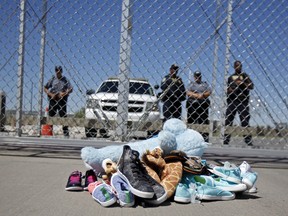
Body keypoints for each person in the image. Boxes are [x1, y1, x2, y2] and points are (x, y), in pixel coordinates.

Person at [224, 60, 254, 146]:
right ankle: (226, 139)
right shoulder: (230, 77)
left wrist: (242, 83)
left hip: (243, 101)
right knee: (228, 120)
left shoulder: (245, 76)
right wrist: (232, 89)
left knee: (245, 121)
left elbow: (251, 86)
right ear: (234, 67)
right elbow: (226, 90)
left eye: (240, 66)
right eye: (236, 66)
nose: (238, 67)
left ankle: (248, 140)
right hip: (232, 101)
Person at [44, 66, 73, 137]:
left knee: (63, 116)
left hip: (62, 100)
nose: (58, 71)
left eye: (60, 70)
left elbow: (71, 88)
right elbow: (45, 87)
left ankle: (66, 134)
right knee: (51, 115)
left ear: (62, 71)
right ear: (55, 71)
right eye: (56, 70)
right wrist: (51, 94)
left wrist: (64, 93)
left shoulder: (65, 80)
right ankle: (49, 133)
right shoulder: (53, 79)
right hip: (53, 99)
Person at [186, 71, 211, 142]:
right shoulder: (191, 84)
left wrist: (202, 95)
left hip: (203, 105)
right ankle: (190, 138)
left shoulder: (204, 84)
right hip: (193, 105)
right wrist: (196, 95)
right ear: (194, 77)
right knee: (191, 121)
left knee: (203, 121)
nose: (198, 78)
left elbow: (209, 92)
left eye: (199, 76)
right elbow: (188, 92)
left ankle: (204, 138)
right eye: (196, 76)